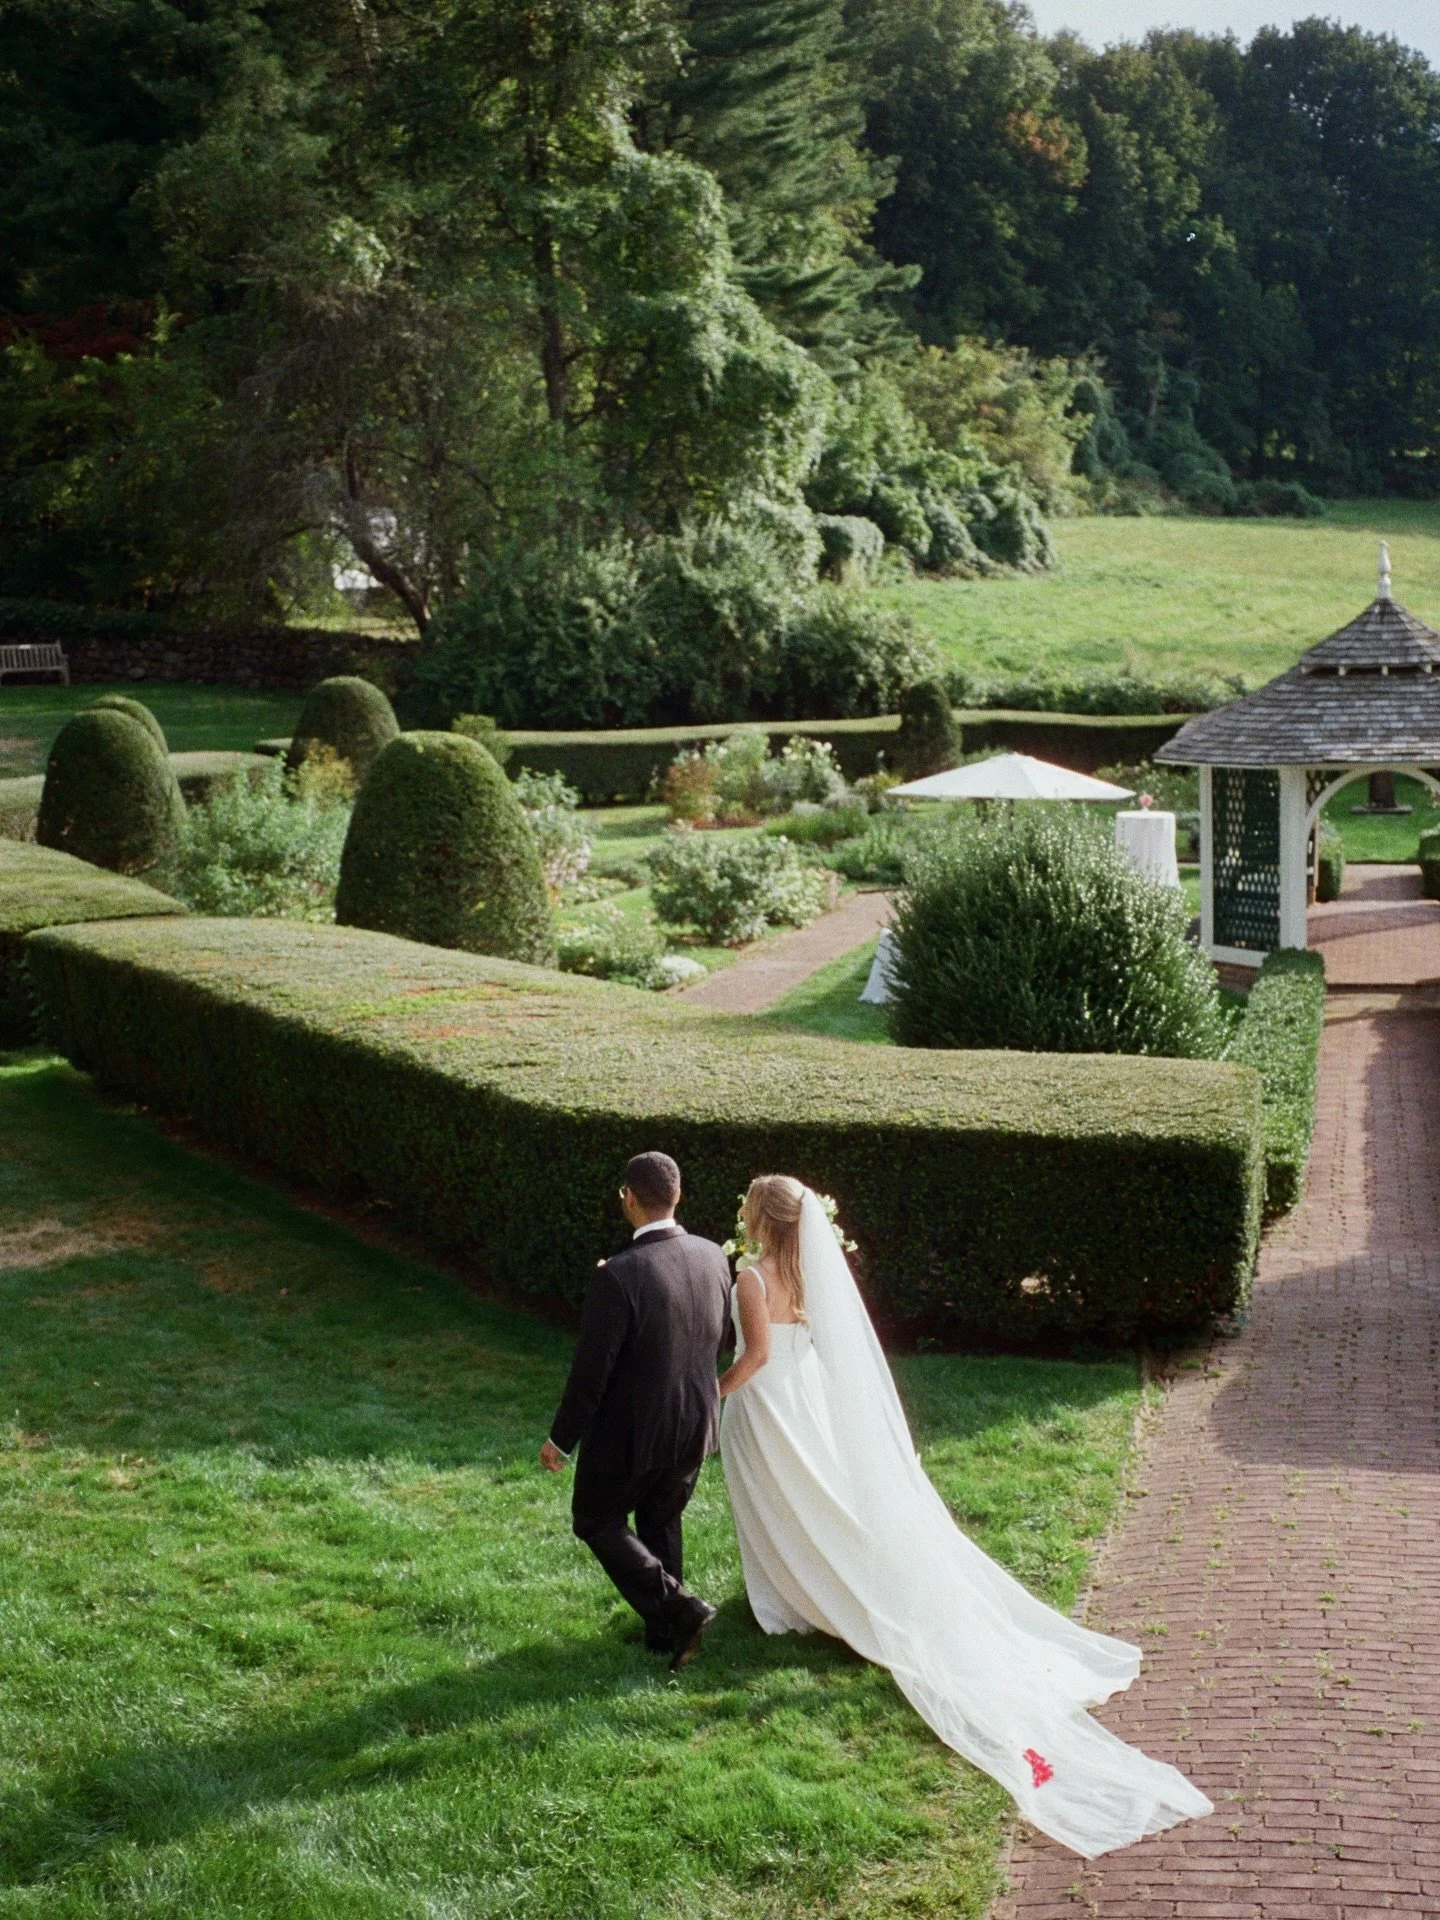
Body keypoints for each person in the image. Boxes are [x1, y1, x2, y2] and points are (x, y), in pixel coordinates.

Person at [718, 1174, 1214, 1859]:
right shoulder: (809, 1276)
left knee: (782, 1503)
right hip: (806, 1400)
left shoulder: (753, 1278)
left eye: (747, 1207)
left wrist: (710, 1392)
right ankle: (810, 1586)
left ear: (760, 1219)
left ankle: (795, 1596)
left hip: (771, 1403)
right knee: (814, 1502)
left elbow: (757, 1356)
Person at [541, 1151, 732, 1670]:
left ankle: (679, 1609)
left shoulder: (617, 1277)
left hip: (635, 1433)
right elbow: (719, 1338)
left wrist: (561, 1440)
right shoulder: (715, 1256)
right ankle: (665, 1635)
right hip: (696, 1423)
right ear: (678, 1196)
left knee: (596, 1518)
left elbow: (591, 1372)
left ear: (628, 1197)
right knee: (660, 1517)